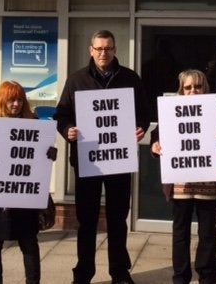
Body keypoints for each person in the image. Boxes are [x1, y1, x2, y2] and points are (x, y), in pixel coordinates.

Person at [54, 30, 150, 284]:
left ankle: (119, 271)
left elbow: (143, 112)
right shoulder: (77, 80)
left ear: (115, 50)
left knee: (118, 218)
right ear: (91, 50)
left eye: (107, 48)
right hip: (89, 161)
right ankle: (83, 272)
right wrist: (67, 130)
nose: (103, 53)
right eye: (98, 49)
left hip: (118, 160)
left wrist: (140, 127)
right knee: (87, 220)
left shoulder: (130, 78)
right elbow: (61, 114)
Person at [150, 69, 216, 284]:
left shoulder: (215, 112)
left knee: (207, 234)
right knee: (180, 234)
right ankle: (180, 277)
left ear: (204, 88)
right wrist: (155, 146)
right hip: (181, 184)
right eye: (188, 87)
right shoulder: (172, 111)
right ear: (181, 90)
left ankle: (207, 277)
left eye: (197, 87)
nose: (192, 91)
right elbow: (157, 137)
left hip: (208, 185)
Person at [0, 80, 57, 284]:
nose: (16, 104)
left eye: (19, 100)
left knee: (29, 242)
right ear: (2, 101)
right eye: (11, 100)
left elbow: (37, 160)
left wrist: (49, 154)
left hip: (22, 193)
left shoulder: (33, 125)